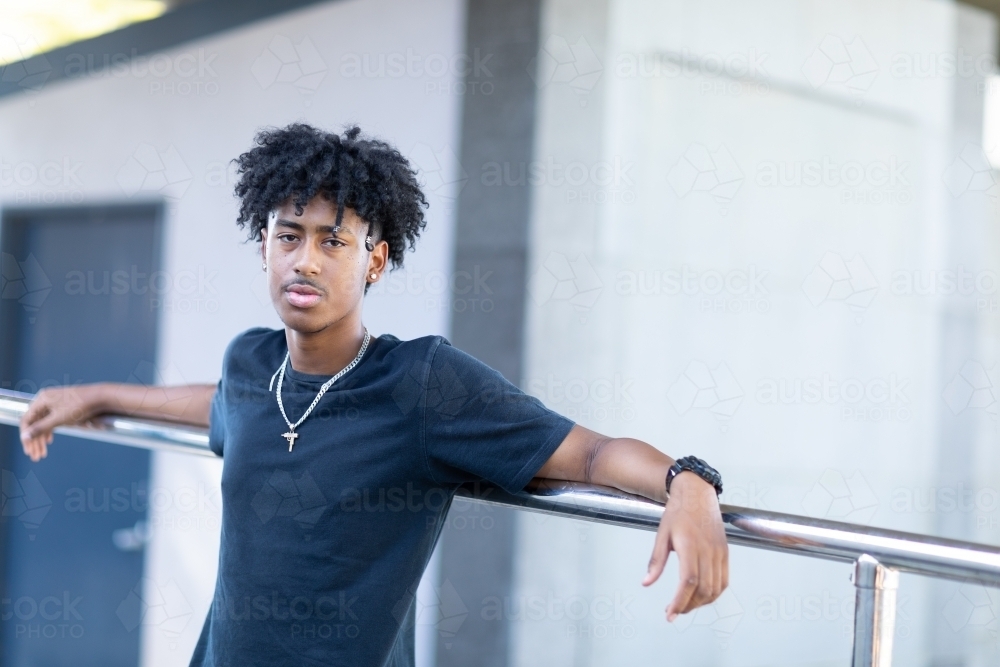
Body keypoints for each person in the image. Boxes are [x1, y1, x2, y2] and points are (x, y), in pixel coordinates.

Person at [17, 123, 729, 666]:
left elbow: (593, 451)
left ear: (375, 261)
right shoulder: (251, 363)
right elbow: (220, 404)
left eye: (334, 241)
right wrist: (98, 393)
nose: (305, 258)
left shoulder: (423, 385)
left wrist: (688, 482)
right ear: (262, 246)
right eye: (288, 235)